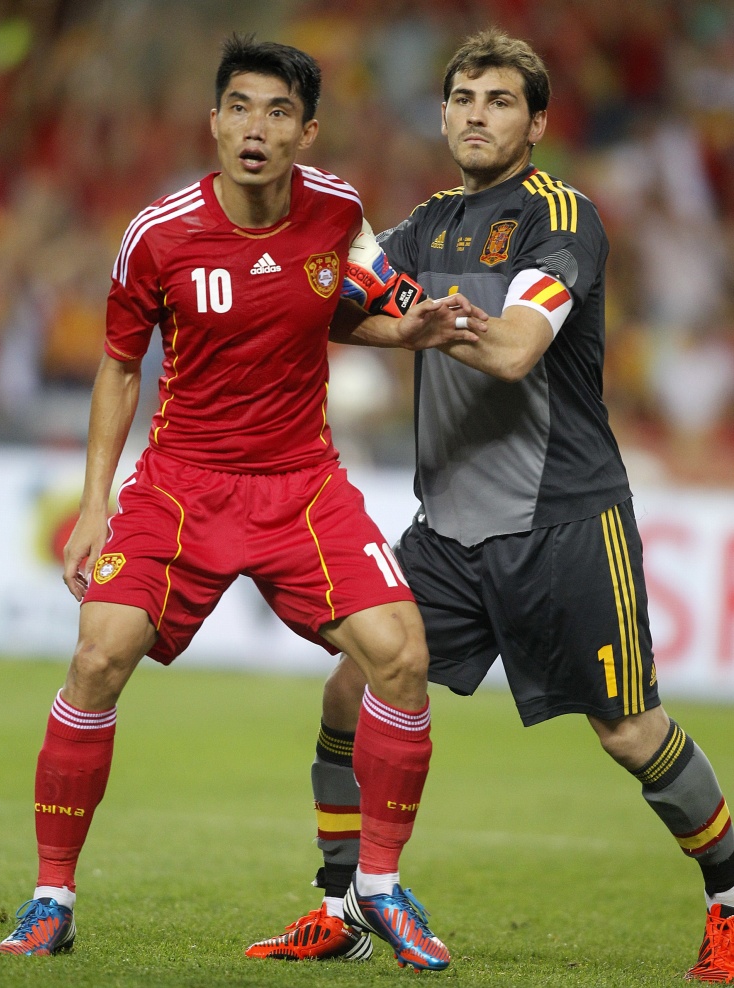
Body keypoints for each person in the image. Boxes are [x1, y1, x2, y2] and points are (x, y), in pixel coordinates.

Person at [245, 28, 734, 983]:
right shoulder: (423, 227)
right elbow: (331, 306)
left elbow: (514, 351)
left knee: (630, 732)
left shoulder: (562, 217)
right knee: (351, 685)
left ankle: (730, 902)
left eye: (500, 100)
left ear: (536, 122)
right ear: (442, 114)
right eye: (464, 98)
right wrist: (357, 295)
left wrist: (418, 317)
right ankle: (341, 906)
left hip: (565, 523)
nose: (477, 115)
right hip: (448, 531)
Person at [0, 33, 489, 972]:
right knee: (97, 656)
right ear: (214, 122)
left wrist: (408, 330)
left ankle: (377, 887)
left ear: (307, 131)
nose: (255, 129)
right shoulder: (158, 233)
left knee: (402, 657)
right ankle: (52, 896)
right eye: (239, 109)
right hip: (181, 485)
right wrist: (96, 503)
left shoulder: (338, 210)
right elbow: (118, 367)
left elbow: (336, 307)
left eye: (277, 112)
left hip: (303, 483)